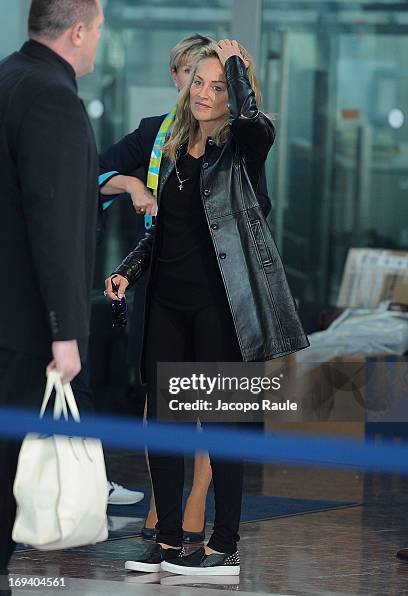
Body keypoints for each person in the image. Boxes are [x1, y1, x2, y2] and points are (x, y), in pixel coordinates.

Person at [105, 39, 308, 576]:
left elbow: (256, 124)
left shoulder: (242, 149)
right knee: (165, 429)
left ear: (232, 95)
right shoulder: (170, 149)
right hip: (167, 305)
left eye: (218, 87)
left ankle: (224, 545)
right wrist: (127, 269)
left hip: (222, 308)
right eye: (199, 82)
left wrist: (239, 69)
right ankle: (168, 541)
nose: (204, 94)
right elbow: (165, 232)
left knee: (221, 427)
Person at [0, 0, 103, 577]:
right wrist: (66, 333)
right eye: (99, 29)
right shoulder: (53, 97)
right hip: (22, 330)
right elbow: (56, 225)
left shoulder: (8, 77)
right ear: (78, 31)